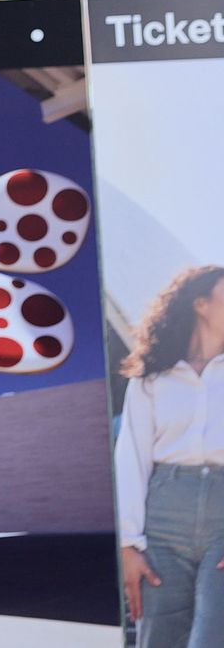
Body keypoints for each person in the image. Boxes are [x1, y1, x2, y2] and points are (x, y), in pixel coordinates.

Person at [116, 264, 224, 646]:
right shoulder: (151, 376)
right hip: (162, 516)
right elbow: (131, 458)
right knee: (158, 639)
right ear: (201, 303)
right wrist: (128, 544)